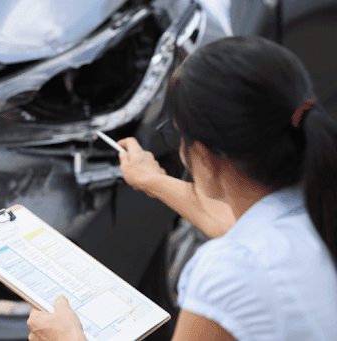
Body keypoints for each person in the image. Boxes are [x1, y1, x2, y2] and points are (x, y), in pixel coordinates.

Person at [27, 35, 337, 340]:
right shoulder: (319, 209)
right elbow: (235, 227)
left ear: (203, 154)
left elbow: (242, 248)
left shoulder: (229, 271)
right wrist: (152, 180)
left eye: (177, 136)